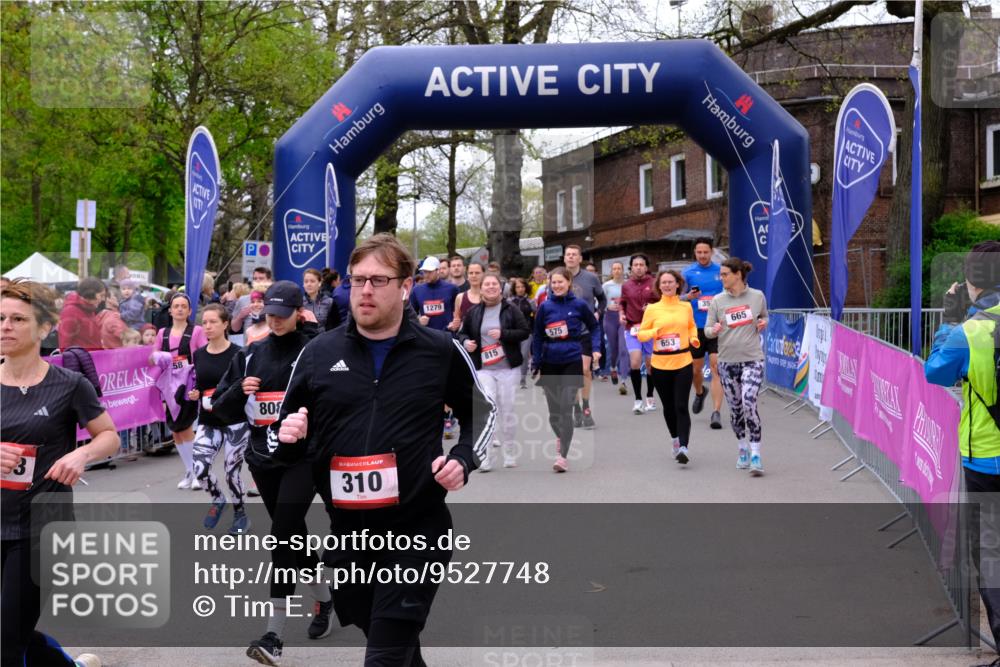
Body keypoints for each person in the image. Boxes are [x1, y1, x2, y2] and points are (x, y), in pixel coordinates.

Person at [272, 233, 496, 666]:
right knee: (389, 639)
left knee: (385, 654)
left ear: (406, 286)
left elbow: (481, 412)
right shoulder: (319, 353)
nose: (365, 291)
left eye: (378, 280)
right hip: (349, 535)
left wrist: (463, 458)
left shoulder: (438, 350)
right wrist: (288, 435)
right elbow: (281, 432)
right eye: (357, 280)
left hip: (416, 530)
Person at [211, 281, 331, 663]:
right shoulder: (251, 354)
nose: (275, 321)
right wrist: (240, 391)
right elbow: (218, 409)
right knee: (293, 533)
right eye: (270, 315)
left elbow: (336, 399)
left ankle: (273, 635)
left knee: (282, 534)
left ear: (299, 312)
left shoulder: (316, 350)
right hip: (263, 458)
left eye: (282, 315)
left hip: (304, 457)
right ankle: (325, 599)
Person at [1, 279, 118, 667]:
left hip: (41, 529)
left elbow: (109, 437)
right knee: (11, 630)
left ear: (44, 328)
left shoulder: (69, 385)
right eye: (0, 318)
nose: (6, 327)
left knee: (5, 643)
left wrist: (81, 455)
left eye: (18, 319)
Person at [924, 241, 1000, 656]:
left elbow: (936, 372)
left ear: (972, 280)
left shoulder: (969, 331)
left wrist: (950, 320)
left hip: (987, 457)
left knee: (990, 552)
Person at [189, 304, 251, 535]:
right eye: (204, 322)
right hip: (208, 420)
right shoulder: (199, 354)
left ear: (225, 324)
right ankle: (218, 498)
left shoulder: (239, 353)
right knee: (200, 468)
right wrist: (195, 393)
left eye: (213, 322)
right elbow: (200, 384)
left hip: (235, 420)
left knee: (231, 471)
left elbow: (244, 386)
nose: (207, 326)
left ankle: (240, 514)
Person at [532, 267, 601, 472]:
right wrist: (536, 361)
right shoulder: (545, 307)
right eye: (553, 282)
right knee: (554, 415)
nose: (557, 286)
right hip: (550, 361)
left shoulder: (579, 305)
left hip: (572, 359)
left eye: (560, 282)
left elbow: (594, 327)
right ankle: (561, 437)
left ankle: (562, 457)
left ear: (569, 282)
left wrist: (596, 348)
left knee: (565, 408)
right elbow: (537, 335)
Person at [703, 258, 768, 475]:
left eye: (725, 274)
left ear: (738, 274)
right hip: (727, 362)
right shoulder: (718, 301)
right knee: (736, 409)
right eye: (720, 275)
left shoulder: (757, 296)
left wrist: (763, 322)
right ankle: (742, 449)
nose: (721, 278)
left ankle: (756, 453)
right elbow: (707, 330)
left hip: (752, 359)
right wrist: (714, 330)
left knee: (749, 403)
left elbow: (764, 317)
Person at [461, 273, 531, 470]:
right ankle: (486, 456)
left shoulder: (511, 309)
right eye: (487, 284)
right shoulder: (474, 312)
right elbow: (462, 333)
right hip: (484, 370)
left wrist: (504, 334)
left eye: (494, 284)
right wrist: (466, 342)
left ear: (500, 288)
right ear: (481, 288)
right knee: (487, 410)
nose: (491, 287)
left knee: (507, 411)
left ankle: (509, 452)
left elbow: (524, 331)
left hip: (508, 369)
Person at [637, 271, 700, 464]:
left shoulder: (685, 306)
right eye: (663, 282)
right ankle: (675, 439)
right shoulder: (652, 309)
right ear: (659, 286)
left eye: (670, 282)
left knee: (681, 405)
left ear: (677, 284)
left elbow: (691, 326)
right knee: (669, 406)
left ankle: (684, 447)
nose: (667, 285)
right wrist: (654, 332)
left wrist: (693, 338)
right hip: (660, 364)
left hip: (683, 361)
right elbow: (641, 334)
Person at [154, 293, 208, 490]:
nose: (179, 309)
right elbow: (154, 357)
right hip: (169, 386)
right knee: (175, 431)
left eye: (183, 306)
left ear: (189, 311)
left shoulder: (197, 331)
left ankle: (198, 472)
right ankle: (189, 471)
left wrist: (199, 386)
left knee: (185, 428)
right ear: (170, 310)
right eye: (176, 306)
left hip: (188, 384)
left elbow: (203, 356)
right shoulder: (162, 333)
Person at [682, 237, 725, 430]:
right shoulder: (687, 273)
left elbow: (731, 292)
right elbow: (677, 298)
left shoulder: (721, 271)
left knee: (716, 367)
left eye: (705, 252)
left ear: (712, 252)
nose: (702, 255)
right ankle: (700, 392)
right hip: (696, 327)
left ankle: (716, 412)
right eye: (699, 252)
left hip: (716, 326)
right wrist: (688, 297)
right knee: (695, 370)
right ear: (695, 253)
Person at [563, 245, 606, 429]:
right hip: (565, 333)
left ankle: (586, 407)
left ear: (580, 258)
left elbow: (602, 299)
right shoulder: (557, 277)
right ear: (564, 258)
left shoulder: (591, 278)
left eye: (574, 254)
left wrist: (598, 313)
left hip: (585, 330)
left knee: (584, 369)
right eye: (568, 254)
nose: (571, 257)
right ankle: (576, 409)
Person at [619, 254, 658, 414]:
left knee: (650, 365)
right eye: (636, 265)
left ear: (646, 267)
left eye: (642, 265)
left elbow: (662, 302)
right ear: (631, 267)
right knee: (635, 362)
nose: (639, 267)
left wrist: (652, 307)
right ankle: (638, 400)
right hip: (632, 328)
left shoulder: (655, 283)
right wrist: (621, 314)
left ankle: (650, 396)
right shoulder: (626, 285)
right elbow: (622, 303)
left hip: (650, 329)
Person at [410, 256, 459, 332]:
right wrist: (418, 320)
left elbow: (459, 312)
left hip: (447, 335)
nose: (426, 275)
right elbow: (410, 315)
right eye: (425, 272)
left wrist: (455, 323)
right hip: (427, 335)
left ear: (438, 270)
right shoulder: (416, 290)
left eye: (430, 272)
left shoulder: (452, 289)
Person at [602, 261, 629, 394]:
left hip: (624, 318)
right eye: (614, 269)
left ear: (623, 270)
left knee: (623, 349)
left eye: (619, 268)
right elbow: (599, 302)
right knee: (614, 349)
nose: (617, 271)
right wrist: (607, 307)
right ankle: (613, 367)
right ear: (612, 271)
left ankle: (623, 381)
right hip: (610, 318)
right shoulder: (606, 285)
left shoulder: (628, 285)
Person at [58, 277, 106, 351]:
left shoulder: (89, 309)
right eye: (101, 295)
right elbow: (64, 344)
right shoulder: (70, 311)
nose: (103, 299)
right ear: (91, 293)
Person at [508, 277, 536, 389]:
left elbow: (536, 316)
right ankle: (511, 378)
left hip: (526, 333)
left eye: (522, 287)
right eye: (518, 287)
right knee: (512, 355)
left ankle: (522, 380)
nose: (520, 289)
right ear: (514, 289)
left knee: (524, 355)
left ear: (526, 288)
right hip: (512, 333)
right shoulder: (509, 301)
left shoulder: (531, 301)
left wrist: (534, 331)